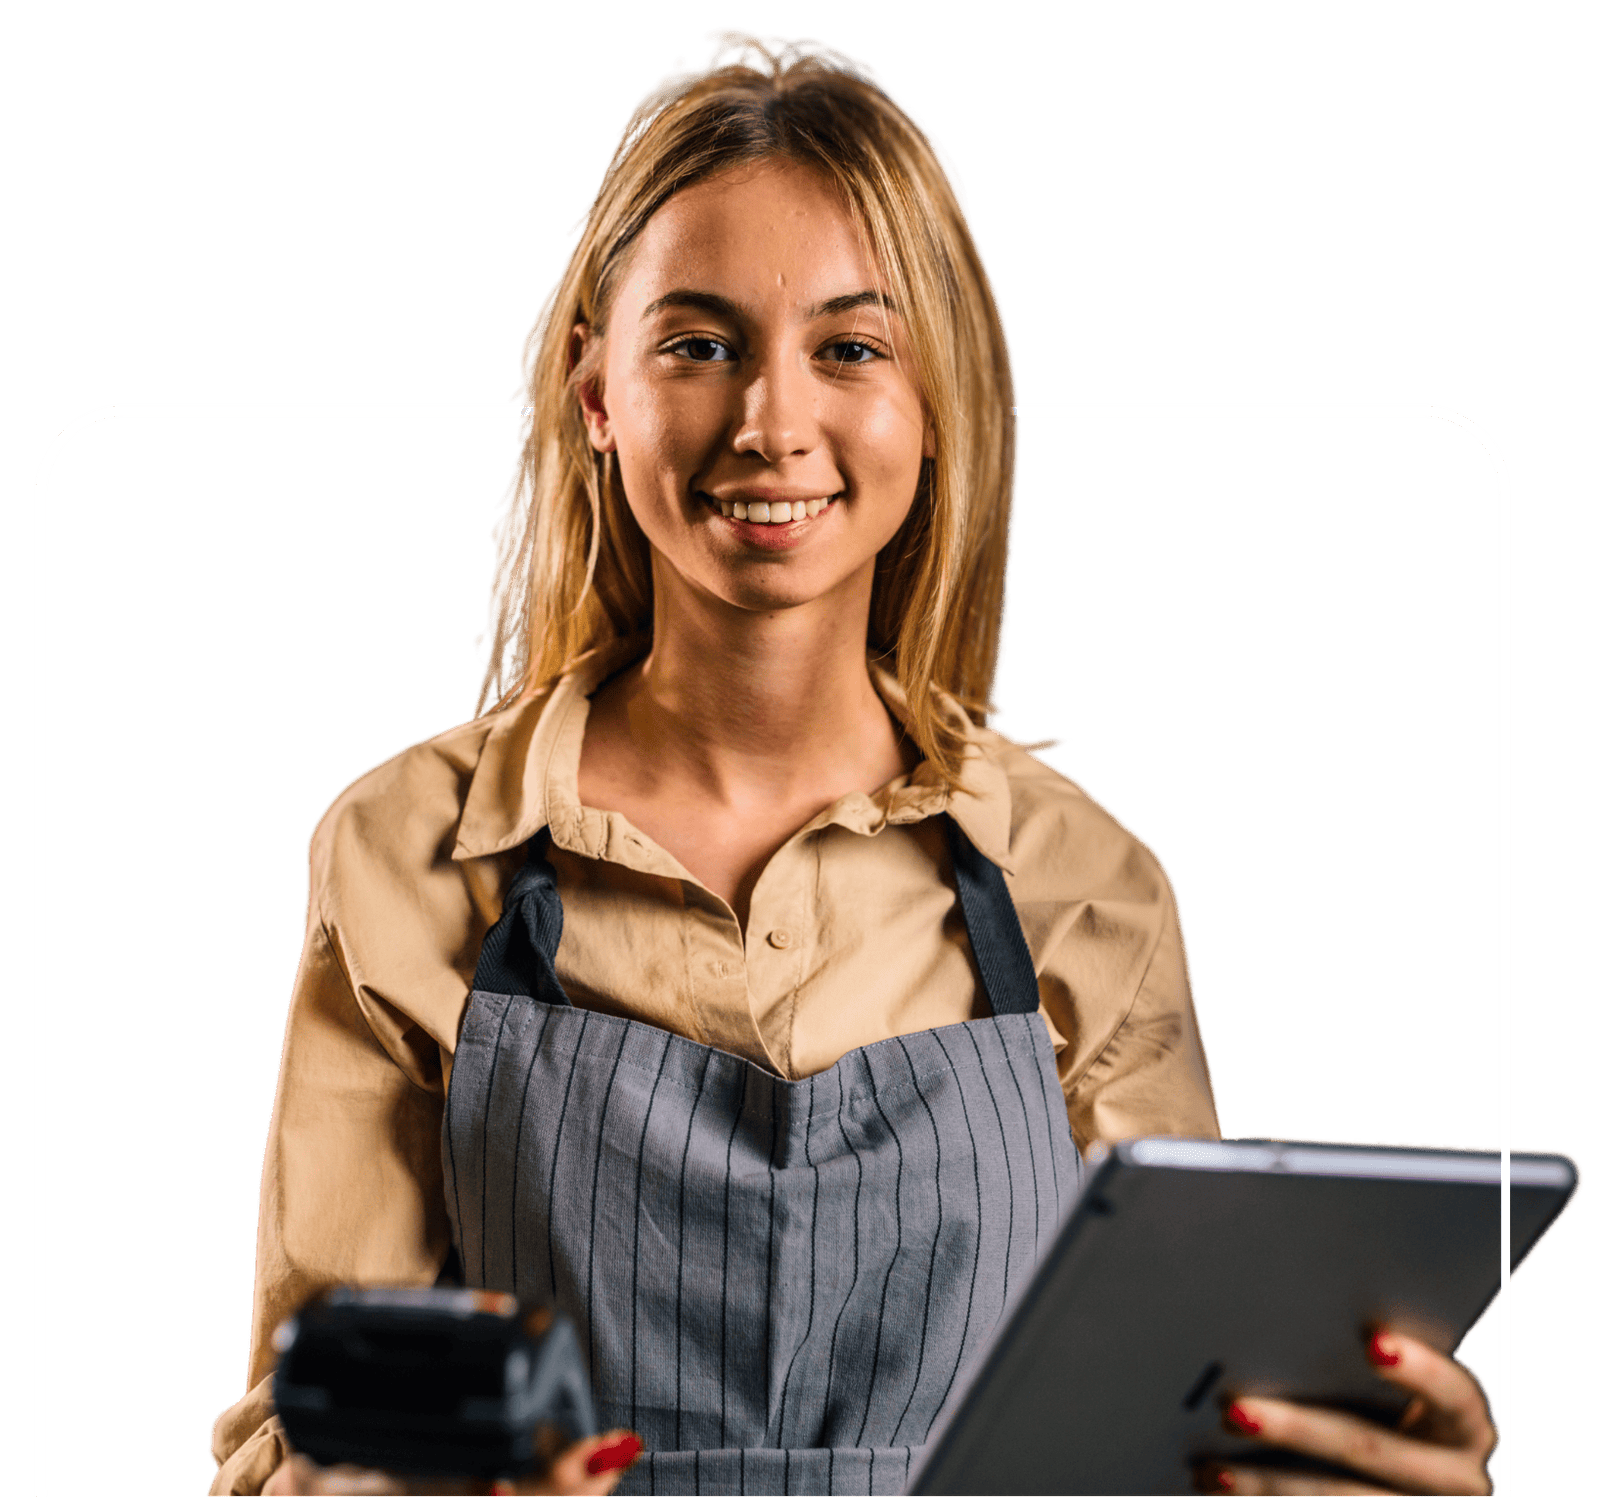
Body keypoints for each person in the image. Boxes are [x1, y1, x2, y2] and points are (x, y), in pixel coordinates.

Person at [208, 29, 1500, 1497]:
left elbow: (1165, 1443)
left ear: (934, 397)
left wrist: (1354, 1467)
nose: (772, 424)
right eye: (696, 345)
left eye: (851, 348)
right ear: (594, 392)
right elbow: (296, 1430)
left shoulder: (1084, 879)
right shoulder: (406, 850)